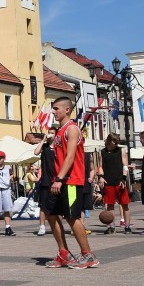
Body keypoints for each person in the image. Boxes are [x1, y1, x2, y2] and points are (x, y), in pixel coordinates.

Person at [45, 97, 99, 269]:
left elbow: (70, 156)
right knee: (50, 214)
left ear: (67, 110)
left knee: (72, 217)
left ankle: (88, 255)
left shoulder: (72, 128)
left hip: (71, 181)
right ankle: (64, 254)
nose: (53, 112)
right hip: (59, 180)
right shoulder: (59, 131)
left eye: (56, 108)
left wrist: (60, 179)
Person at [97, 134, 132, 234]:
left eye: (117, 142)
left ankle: (127, 226)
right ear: (109, 141)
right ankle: (111, 226)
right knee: (110, 205)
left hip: (120, 181)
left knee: (125, 204)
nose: (116, 143)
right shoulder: (102, 152)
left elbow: (125, 166)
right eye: (114, 141)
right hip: (108, 181)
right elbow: (100, 166)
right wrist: (101, 177)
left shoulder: (121, 150)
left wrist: (124, 178)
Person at [34, 128, 58, 236]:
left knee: (56, 205)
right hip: (45, 180)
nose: (50, 135)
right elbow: (36, 152)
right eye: (49, 133)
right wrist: (43, 140)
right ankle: (42, 226)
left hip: (56, 180)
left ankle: (56, 226)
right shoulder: (45, 147)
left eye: (52, 133)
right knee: (43, 205)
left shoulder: (58, 147)